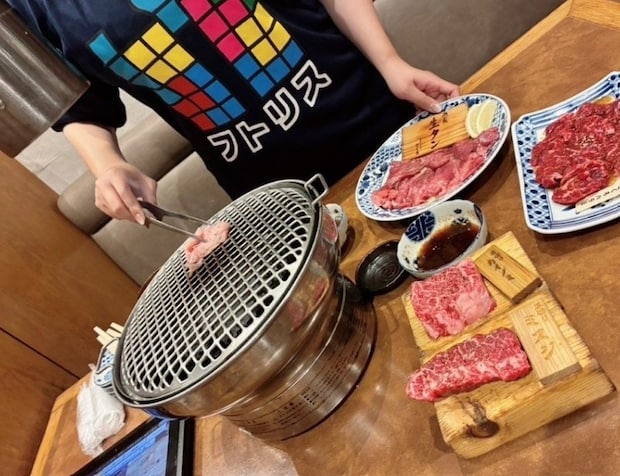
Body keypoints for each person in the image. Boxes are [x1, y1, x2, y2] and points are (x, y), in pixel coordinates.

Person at [8, 0, 460, 224]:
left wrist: (389, 62)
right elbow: (80, 104)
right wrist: (107, 165)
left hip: (378, 126)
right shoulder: (27, 7)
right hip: (279, 198)